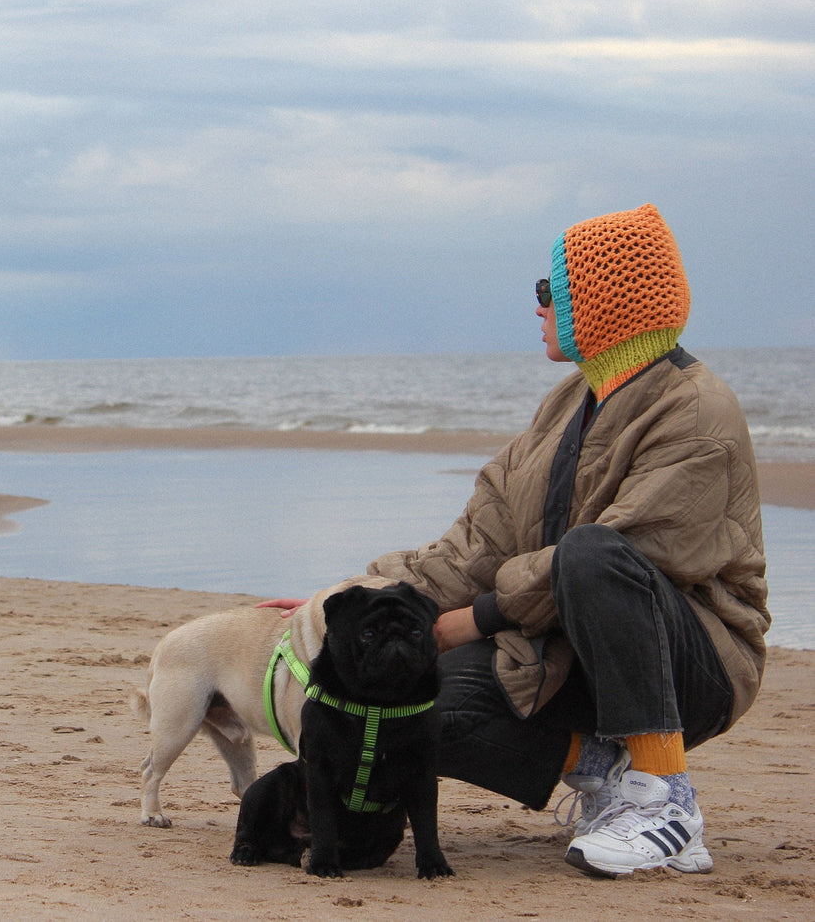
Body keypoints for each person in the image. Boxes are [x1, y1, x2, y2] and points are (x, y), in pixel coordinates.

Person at [265, 203, 769, 877]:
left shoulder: (696, 409)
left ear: (603, 303)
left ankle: (663, 795)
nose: (537, 307)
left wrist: (475, 618)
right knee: (420, 708)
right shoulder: (565, 403)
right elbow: (478, 539)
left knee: (593, 553)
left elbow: (630, 555)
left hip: (693, 662)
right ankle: (605, 772)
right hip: (567, 647)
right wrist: (360, 596)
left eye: (549, 291)